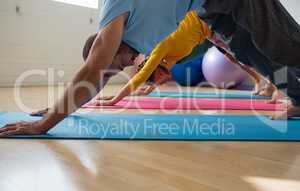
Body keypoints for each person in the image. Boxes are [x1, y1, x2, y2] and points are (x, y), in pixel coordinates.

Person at [0, 0, 203, 136]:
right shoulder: (140, 40)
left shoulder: (115, 12)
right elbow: (96, 80)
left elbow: (93, 72)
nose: (125, 68)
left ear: (103, 50)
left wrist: (43, 125)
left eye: (111, 67)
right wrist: (58, 110)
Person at [92, 11, 279, 108]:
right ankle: (260, 80)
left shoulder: (159, 48)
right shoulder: (167, 61)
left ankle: (274, 84)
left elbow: (141, 77)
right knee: (236, 58)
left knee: (244, 54)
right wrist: (144, 91)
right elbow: (153, 80)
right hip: (207, 32)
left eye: (156, 76)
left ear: (154, 66)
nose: (161, 79)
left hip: (210, 21)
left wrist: (116, 99)